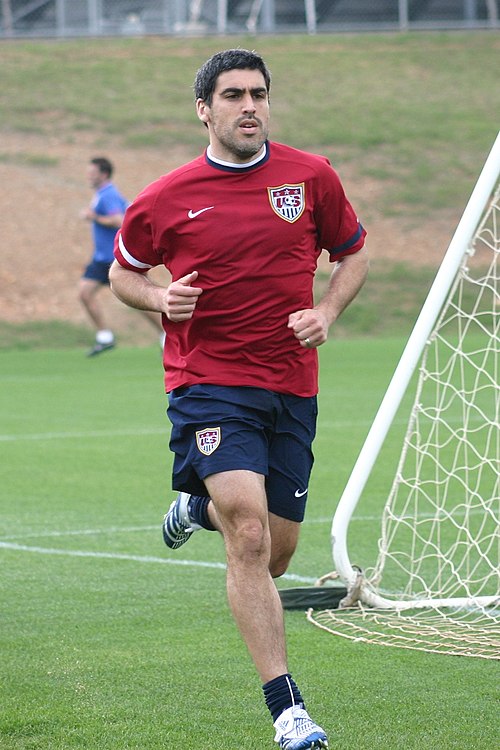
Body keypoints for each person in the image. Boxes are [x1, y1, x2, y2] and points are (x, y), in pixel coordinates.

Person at [109, 49, 368, 750]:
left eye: (258, 93)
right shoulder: (166, 197)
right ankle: (288, 711)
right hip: (209, 383)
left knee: (277, 554)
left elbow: (353, 255)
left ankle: (198, 506)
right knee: (248, 536)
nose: (249, 105)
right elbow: (122, 273)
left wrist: (329, 313)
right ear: (205, 109)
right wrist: (161, 297)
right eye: (233, 95)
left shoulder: (310, 177)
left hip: (292, 386)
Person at [79, 156, 164, 356]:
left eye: (93, 172)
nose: (88, 176)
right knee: (85, 293)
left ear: (104, 174)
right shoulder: (102, 193)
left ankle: (166, 334)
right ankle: (105, 337)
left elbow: (119, 220)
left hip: (113, 259)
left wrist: (93, 217)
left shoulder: (108, 194)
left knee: (140, 299)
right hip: (101, 258)